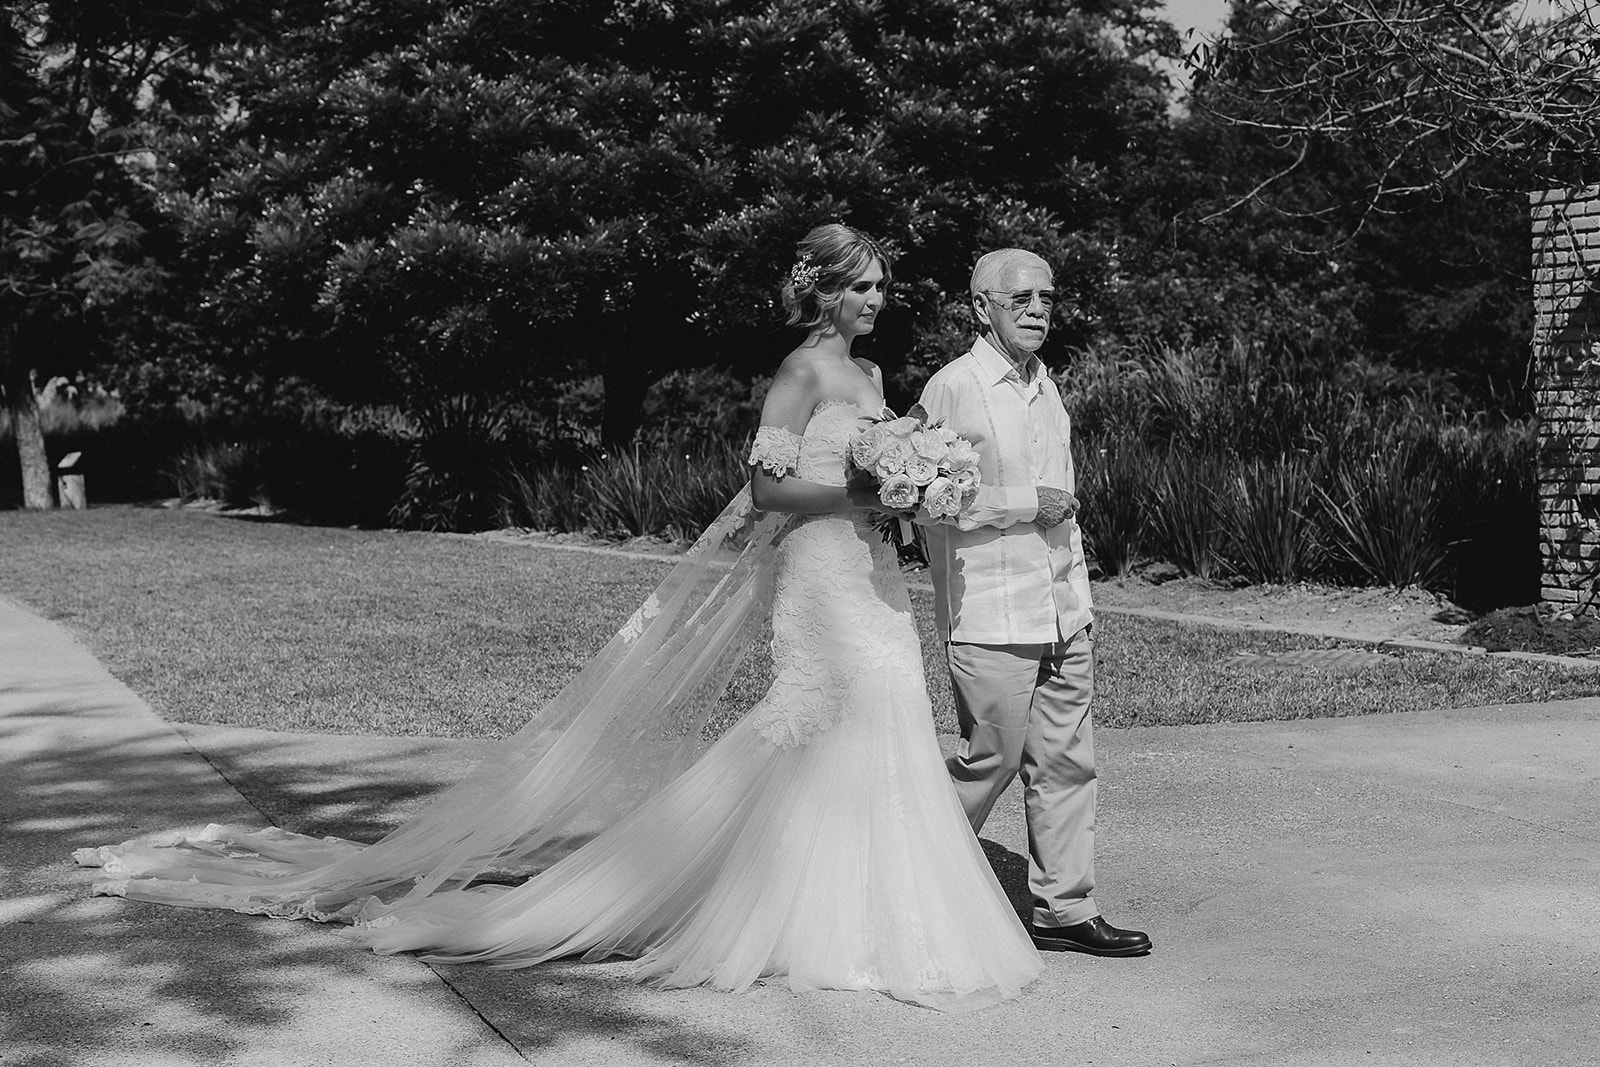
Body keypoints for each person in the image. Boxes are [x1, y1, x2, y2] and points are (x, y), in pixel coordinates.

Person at [75, 223, 1042, 1012]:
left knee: (881, 724)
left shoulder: (875, 382)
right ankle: (746, 902)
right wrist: (873, 499)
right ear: (824, 290)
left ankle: (871, 917)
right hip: (822, 579)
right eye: (863, 287)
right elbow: (765, 490)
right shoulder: (801, 372)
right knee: (820, 721)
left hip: (872, 578)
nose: (878, 301)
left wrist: (911, 498)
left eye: (881, 287)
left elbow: (872, 472)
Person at [915, 248, 1152, 958]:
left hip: (1061, 606)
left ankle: (1064, 908)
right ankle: (912, 890)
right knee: (987, 761)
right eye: (1020, 298)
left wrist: (1078, 588)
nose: (1038, 309)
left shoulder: (1046, 385)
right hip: (991, 609)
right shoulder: (953, 386)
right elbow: (929, 501)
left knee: (1068, 764)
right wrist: (1027, 502)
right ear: (979, 304)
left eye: (1047, 297)